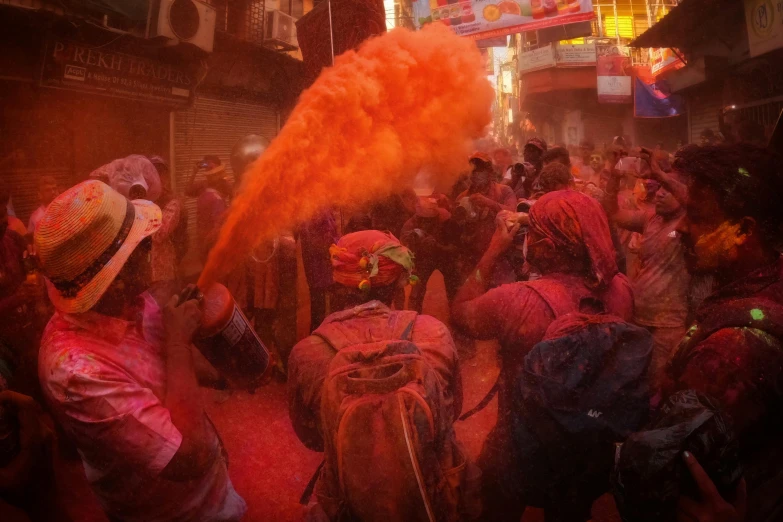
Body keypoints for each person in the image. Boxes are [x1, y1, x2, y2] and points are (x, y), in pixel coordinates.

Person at [36, 180, 246, 522]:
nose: (150, 248)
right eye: (141, 245)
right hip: (174, 513)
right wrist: (179, 342)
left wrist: (224, 374)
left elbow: (161, 358)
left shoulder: (123, 302)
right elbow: (189, 458)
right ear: (112, 276)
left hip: (211, 498)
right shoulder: (76, 372)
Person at [452, 190, 633, 521]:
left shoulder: (517, 300)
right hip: (587, 444)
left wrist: (493, 250)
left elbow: (461, 314)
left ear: (548, 249)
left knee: (498, 509)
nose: (527, 239)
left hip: (518, 445)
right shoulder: (621, 289)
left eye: (532, 233)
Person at [287, 230, 464, 520]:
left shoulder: (307, 354)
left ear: (337, 282)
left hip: (349, 502)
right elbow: (452, 410)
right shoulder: (435, 333)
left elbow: (312, 438)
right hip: (431, 496)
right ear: (398, 282)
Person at [661, 143, 783, 522]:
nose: (680, 228)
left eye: (695, 217)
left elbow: (671, 473)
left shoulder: (729, 353)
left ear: (745, 230)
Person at [604, 160, 690, 391]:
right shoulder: (652, 219)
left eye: (667, 189)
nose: (660, 194)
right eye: (659, 188)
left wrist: (662, 175)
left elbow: (695, 204)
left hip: (668, 325)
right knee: (632, 385)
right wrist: (614, 178)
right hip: (638, 317)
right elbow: (613, 213)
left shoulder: (689, 223)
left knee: (657, 389)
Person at [456, 152, 517, 286]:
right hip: (472, 261)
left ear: (489, 171)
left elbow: (513, 213)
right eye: (474, 170)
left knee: (500, 300)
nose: (477, 173)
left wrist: (489, 203)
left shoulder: (504, 191)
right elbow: (456, 230)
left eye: (481, 169)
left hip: (500, 259)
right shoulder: (463, 197)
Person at [400, 197, 461, 313]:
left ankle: (456, 313)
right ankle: (414, 317)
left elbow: (456, 248)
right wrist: (415, 245)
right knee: (416, 291)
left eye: (430, 220)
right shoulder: (410, 226)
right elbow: (403, 251)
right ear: (418, 217)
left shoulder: (446, 221)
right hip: (423, 260)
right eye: (423, 220)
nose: (427, 223)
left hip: (444, 258)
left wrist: (438, 246)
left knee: (454, 286)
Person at [299, 208, 339, 331]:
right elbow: (325, 237)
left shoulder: (314, 208)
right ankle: (324, 334)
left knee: (319, 306)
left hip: (317, 267)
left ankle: (320, 334)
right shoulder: (317, 209)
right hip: (321, 266)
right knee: (322, 308)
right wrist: (337, 246)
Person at [146, 156, 183, 289]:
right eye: (151, 173)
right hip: (143, 272)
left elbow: (159, 234)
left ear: (165, 177)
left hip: (162, 272)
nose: (155, 178)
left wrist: (145, 208)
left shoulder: (171, 202)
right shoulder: (144, 199)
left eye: (160, 174)